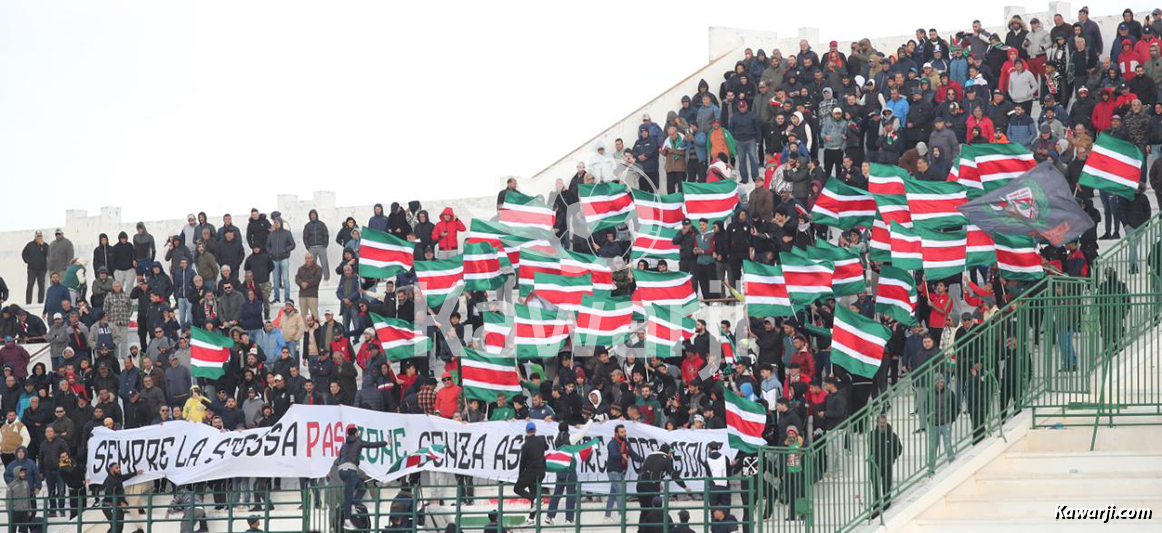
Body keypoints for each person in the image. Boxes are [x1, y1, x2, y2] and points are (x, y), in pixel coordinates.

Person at [336, 425, 388, 529]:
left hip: (342, 470)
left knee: (362, 488)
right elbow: (371, 445)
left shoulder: (344, 445)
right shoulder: (358, 441)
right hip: (351, 470)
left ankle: (353, 505)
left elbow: (340, 457)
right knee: (349, 495)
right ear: (355, 433)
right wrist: (386, 443)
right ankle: (347, 520)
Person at [636, 443, 690, 529]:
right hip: (651, 486)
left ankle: (641, 530)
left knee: (644, 510)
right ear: (666, 452)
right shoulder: (667, 459)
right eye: (670, 452)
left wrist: (658, 482)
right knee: (654, 511)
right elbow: (673, 475)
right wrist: (684, 486)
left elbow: (649, 470)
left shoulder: (650, 456)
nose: (671, 455)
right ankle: (655, 530)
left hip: (640, 485)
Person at [604, 423, 642, 522]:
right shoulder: (612, 443)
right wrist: (622, 455)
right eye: (622, 432)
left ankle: (607, 517)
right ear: (616, 433)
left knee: (613, 493)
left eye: (624, 431)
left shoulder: (626, 443)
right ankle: (622, 515)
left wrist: (643, 460)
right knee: (620, 493)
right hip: (614, 471)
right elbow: (613, 455)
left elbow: (633, 454)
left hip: (621, 471)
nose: (624, 433)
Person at [868, 413, 902, 517]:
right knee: (876, 488)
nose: (882, 425)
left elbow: (899, 449)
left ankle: (886, 507)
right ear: (877, 423)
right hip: (874, 465)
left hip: (887, 465)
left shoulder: (892, 435)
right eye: (880, 423)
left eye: (884, 423)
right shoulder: (871, 434)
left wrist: (892, 458)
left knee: (886, 487)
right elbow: (870, 448)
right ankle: (876, 509)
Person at [514, 421, 547, 523]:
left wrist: (520, 476)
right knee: (533, 492)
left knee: (517, 488)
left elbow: (522, 462)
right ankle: (531, 519)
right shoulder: (541, 439)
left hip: (531, 471)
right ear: (535, 430)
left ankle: (536, 500)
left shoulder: (525, 445)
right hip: (541, 471)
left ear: (526, 431)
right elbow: (546, 447)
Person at [101, 463, 142, 533]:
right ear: (111, 469)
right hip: (109, 505)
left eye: (119, 468)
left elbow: (124, 477)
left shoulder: (117, 477)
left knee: (119, 526)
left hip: (117, 505)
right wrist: (121, 502)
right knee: (116, 526)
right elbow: (110, 494)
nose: (119, 469)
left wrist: (135, 473)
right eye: (116, 468)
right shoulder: (109, 480)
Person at [6, 465, 37, 533]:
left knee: (24, 530)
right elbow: (8, 501)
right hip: (15, 512)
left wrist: (30, 509)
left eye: (24, 472)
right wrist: (9, 512)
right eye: (21, 473)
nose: (23, 474)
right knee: (12, 530)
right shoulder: (11, 486)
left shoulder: (26, 483)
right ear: (17, 473)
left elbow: (28, 497)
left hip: (25, 511)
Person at [21, 231, 49, 305]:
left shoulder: (45, 245)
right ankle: (28, 302)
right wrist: (29, 261)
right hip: (32, 269)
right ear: (35, 237)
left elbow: (49, 254)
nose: (39, 238)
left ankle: (40, 302)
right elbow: (24, 254)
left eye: (40, 236)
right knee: (30, 284)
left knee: (41, 285)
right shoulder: (30, 245)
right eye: (37, 236)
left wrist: (43, 245)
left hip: (42, 269)